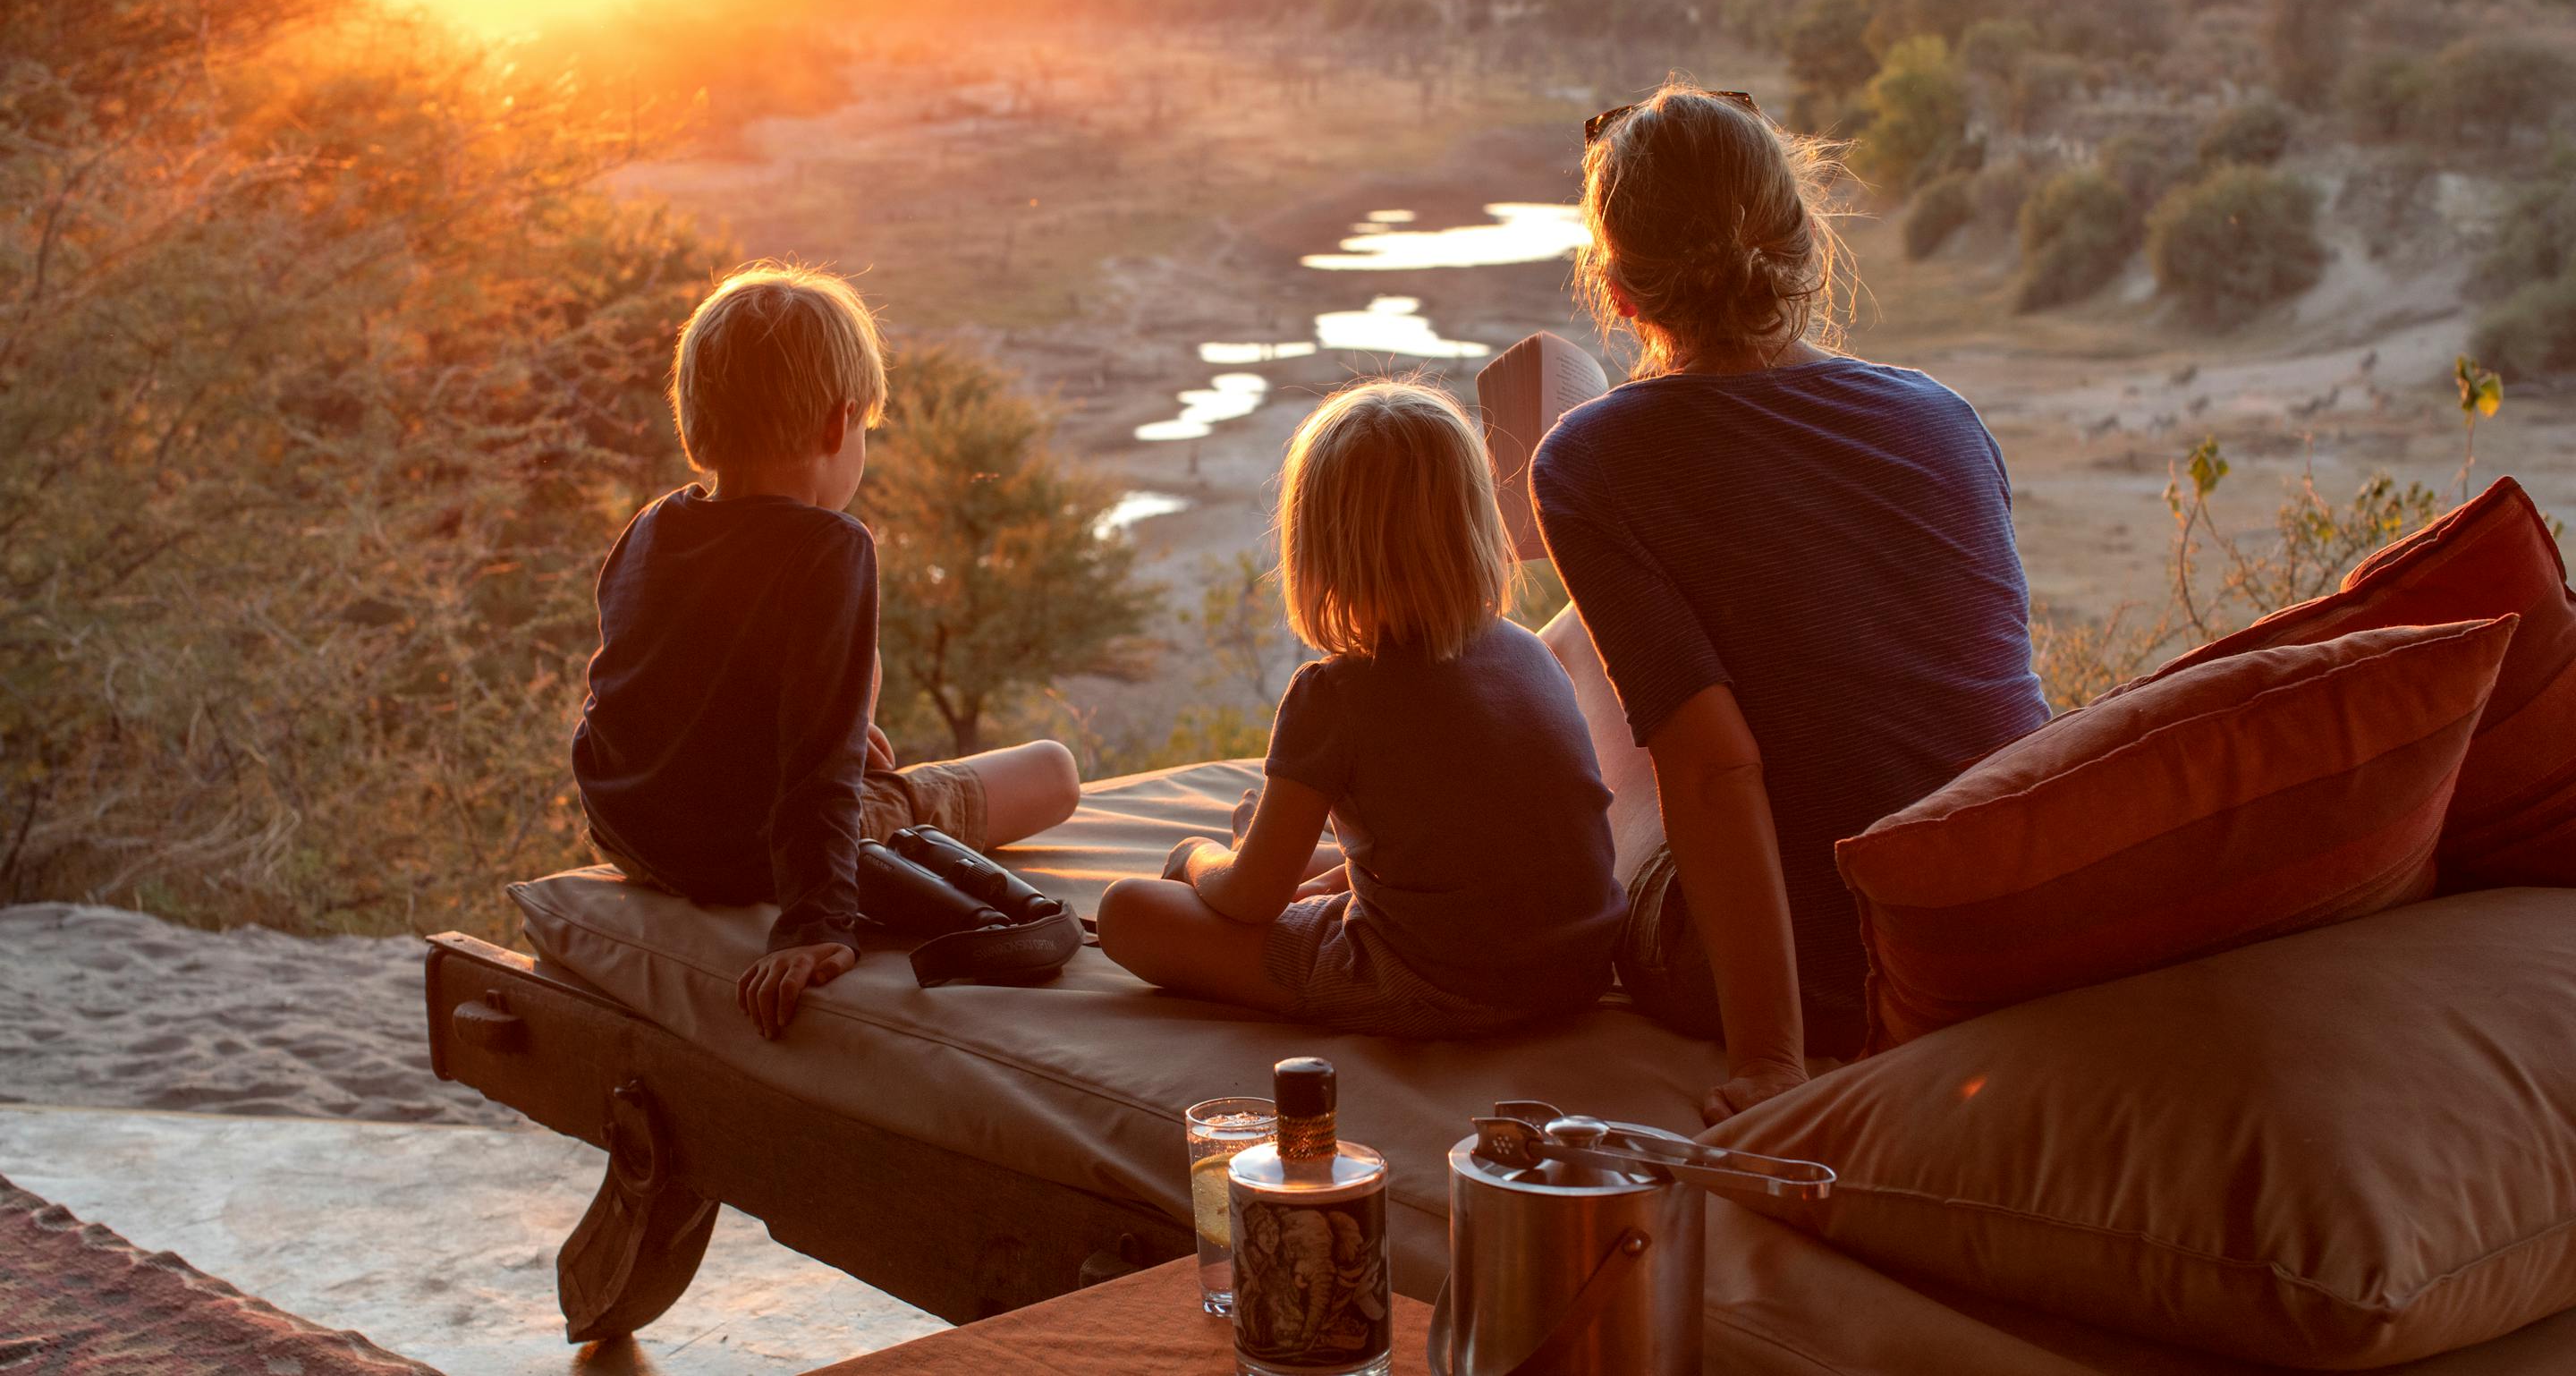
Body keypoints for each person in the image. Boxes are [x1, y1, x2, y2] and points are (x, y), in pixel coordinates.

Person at [1530, 81, 2050, 1124]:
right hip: (2008, 915)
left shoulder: (1590, 460)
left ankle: (1381, 845)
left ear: (1620, 291)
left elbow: (1716, 766)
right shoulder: (1941, 416)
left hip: (1824, 970)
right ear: (1808, 245)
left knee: (1579, 656)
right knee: (1591, 638)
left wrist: (1776, 1057)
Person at [572, 263, 1080, 1040]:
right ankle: (889, 812)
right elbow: (814, 770)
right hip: (747, 847)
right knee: (1053, 772)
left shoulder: (653, 525)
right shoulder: (830, 546)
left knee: (850, 725)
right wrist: (815, 924)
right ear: (839, 426)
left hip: (631, 828)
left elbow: (646, 686)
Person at [1097, 380, 1625, 1039]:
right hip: (1577, 966)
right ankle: (1281, 859)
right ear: (1475, 522)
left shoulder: (1335, 694)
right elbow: (1478, 842)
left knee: (1128, 911)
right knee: (1308, 849)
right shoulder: (1530, 652)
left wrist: (1201, 860)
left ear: (1318, 550)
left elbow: (1251, 899)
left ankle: (1239, 856)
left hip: (1443, 985)